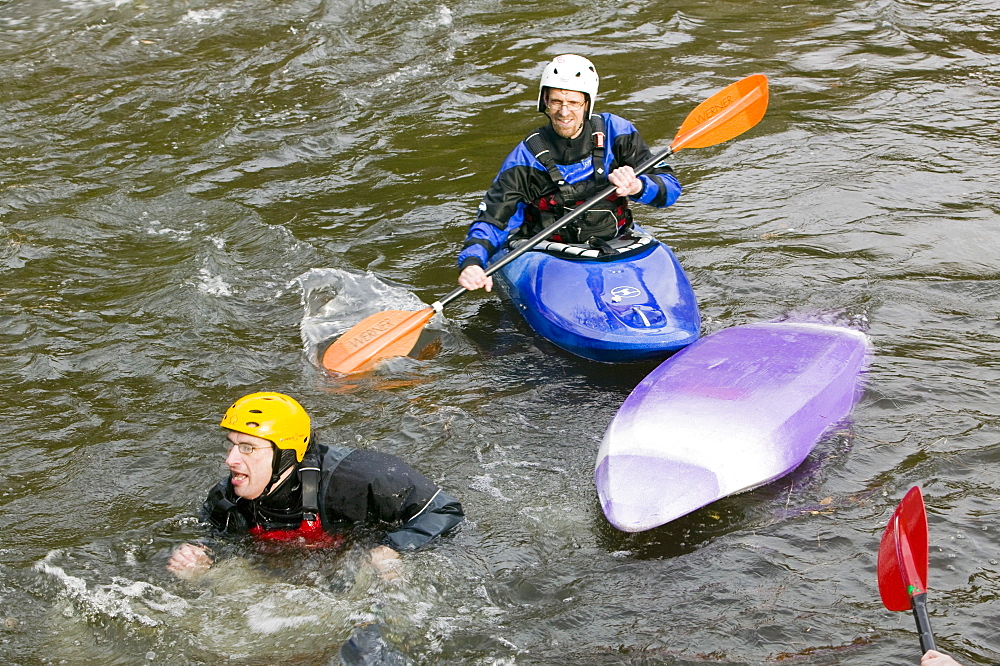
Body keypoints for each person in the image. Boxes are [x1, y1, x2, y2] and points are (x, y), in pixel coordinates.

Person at [167, 392, 464, 579]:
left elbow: (445, 510)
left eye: (247, 448)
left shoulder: (362, 478)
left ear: (286, 456)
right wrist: (204, 557)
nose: (230, 460)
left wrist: (394, 548)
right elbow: (221, 540)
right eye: (231, 446)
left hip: (362, 550)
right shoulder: (226, 500)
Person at [457, 53, 683, 292]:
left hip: (617, 243)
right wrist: (472, 262)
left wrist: (639, 186)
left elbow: (670, 189)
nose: (564, 112)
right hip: (548, 253)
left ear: (587, 103)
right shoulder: (525, 158)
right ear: (545, 100)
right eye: (556, 101)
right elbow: (493, 219)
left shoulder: (617, 133)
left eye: (573, 103)